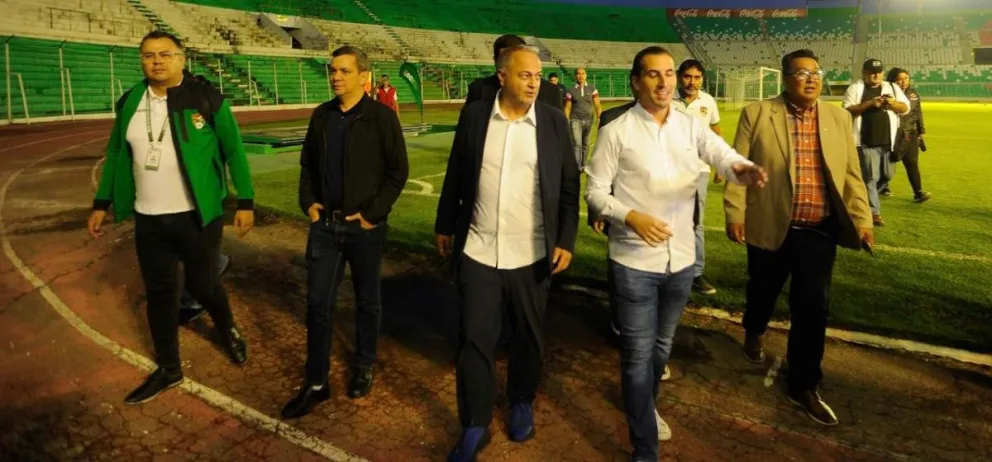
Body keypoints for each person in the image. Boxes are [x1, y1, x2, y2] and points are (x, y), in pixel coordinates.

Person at [586, 46, 767, 461]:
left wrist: (742, 168)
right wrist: (630, 216)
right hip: (634, 261)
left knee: (661, 348)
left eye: (669, 73)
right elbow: (595, 191)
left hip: (681, 261)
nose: (665, 81)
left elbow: (719, 153)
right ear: (636, 82)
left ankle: (645, 406)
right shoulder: (617, 131)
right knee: (637, 355)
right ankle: (643, 447)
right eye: (654, 74)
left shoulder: (689, 126)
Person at [87, 30, 255, 404]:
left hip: (197, 217)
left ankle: (227, 328)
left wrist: (246, 201)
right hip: (149, 219)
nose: (156, 61)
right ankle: (169, 368)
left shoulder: (207, 98)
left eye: (164, 54)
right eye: (148, 55)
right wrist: (102, 203)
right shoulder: (130, 101)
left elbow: (235, 152)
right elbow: (116, 152)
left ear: (181, 58)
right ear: (141, 60)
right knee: (160, 293)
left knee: (203, 285)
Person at [435, 45, 579, 462]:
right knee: (474, 341)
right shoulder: (476, 115)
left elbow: (569, 187)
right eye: (525, 75)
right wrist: (445, 223)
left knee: (527, 339)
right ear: (502, 77)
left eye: (537, 76)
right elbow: (457, 172)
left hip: (532, 254)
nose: (534, 82)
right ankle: (475, 424)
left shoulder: (552, 122)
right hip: (478, 250)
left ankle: (520, 399)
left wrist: (565, 240)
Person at [725, 49, 874, 426]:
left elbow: (852, 174)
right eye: (802, 72)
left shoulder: (838, 117)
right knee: (762, 290)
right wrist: (734, 213)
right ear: (785, 78)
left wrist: (862, 218)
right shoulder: (757, 113)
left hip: (818, 231)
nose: (811, 78)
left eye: (816, 72)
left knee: (812, 308)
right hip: (771, 224)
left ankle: (804, 384)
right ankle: (754, 329)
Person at [281, 46, 409, 419]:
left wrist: (371, 215)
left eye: (344, 71)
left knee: (368, 300)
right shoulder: (321, 116)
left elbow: (397, 173)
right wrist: (309, 203)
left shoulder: (382, 119)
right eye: (332, 70)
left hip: (364, 229)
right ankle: (316, 382)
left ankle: (364, 363)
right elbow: (307, 164)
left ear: (363, 76)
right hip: (325, 227)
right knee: (318, 303)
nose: (335, 77)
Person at [672, 59, 721, 296]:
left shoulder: (708, 101)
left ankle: (696, 273)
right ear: (680, 76)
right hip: (668, 168)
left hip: (698, 170)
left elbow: (715, 131)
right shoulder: (667, 99)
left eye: (697, 77)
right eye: (688, 76)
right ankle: (666, 269)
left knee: (696, 222)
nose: (692, 82)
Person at [842, 58, 909, 226]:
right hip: (865, 142)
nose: (875, 75)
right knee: (871, 177)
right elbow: (847, 110)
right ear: (864, 73)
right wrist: (871, 104)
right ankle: (874, 213)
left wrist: (893, 103)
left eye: (878, 72)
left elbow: (905, 108)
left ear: (883, 73)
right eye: (871, 72)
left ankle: (863, 197)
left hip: (888, 142)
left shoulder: (891, 87)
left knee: (887, 175)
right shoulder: (855, 88)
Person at [465, 34, 564, 111]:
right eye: (504, 59)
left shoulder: (550, 92)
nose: (508, 63)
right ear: (495, 60)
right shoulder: (478, 89)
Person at [886, 67, 931, 203]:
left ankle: (918, 192)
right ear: (893, 80)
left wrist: (921, 131)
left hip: (910, 132)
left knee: (912, 162)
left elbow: (918, 112)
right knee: (889, 162)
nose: (903, 81)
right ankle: (883, 186)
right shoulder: (888, 92)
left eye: (905, 78)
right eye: (899, 79)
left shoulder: (913, 93)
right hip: (893, 132)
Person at [564, 67, 602, 170]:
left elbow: (597, 104)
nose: (581, 76)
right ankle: (577, 167)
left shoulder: (592, 88)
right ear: (575, 76)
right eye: (578, 74)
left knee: (586, 144)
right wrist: (565, 120)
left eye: (583, 73)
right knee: (577, 144)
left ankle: (584, 165)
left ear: (586, 75)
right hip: (575, 120)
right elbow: (567, 107)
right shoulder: (570, 90)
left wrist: (599, 117)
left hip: (589, 120)